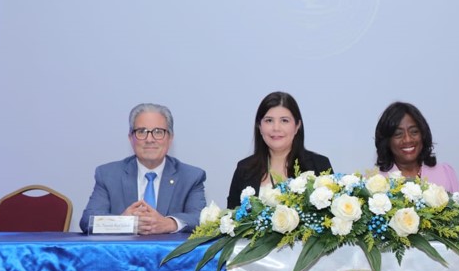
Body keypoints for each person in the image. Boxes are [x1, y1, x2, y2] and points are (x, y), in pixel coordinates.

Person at [79, 103, 207, 234]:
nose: (149, 139)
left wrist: (168, 224)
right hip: (123, 253)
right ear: (130, 138)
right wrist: (123, 222)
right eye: (141, 132)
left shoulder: (191, 176)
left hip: (171, 254)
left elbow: (201, 219)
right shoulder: (108, 174)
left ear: (170, 138)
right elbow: (87, 221)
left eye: (158, 132)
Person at [227, 91, 333, 209]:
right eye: (269, 121)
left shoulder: (319, 165)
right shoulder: (244, 169)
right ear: (260, 126)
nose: (276, 128)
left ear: (297, 126)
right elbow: (232, 220)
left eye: (284, 120)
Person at [374, 101, 459, 193]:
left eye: (414, 132)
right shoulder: (375, 182)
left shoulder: (445, 173)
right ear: (387, 141)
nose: (408, 139)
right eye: (398, 134)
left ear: (423, 134)